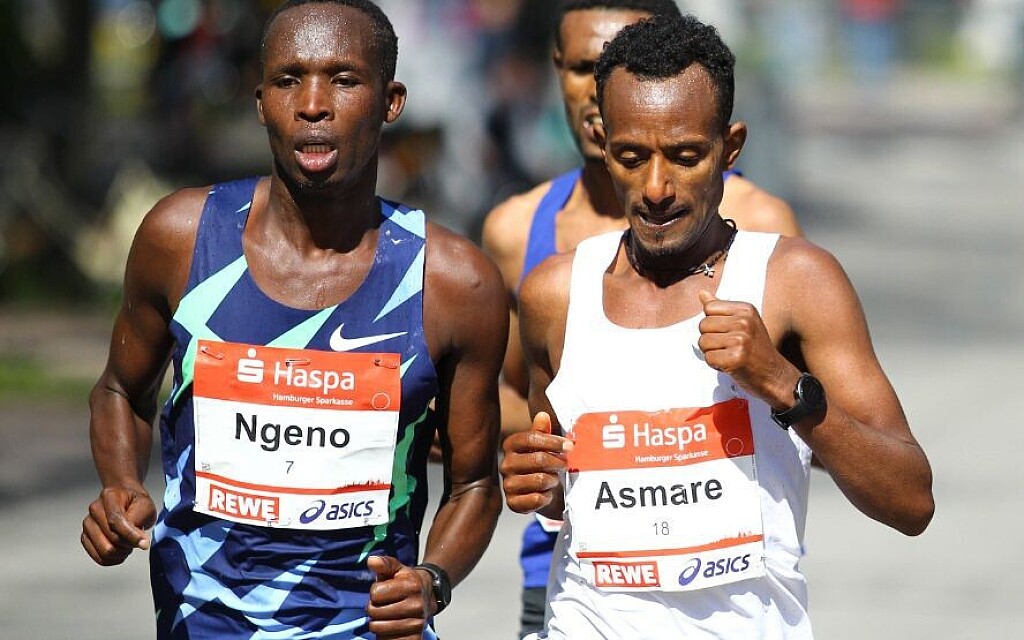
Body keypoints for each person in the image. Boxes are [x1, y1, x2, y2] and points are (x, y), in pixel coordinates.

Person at [79, 1, 507, 638]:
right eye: (287, 80)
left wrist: (432, 580)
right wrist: (120, 486)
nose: (312, 105)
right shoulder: (182, 238)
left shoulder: (453, 282)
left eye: (343, 80)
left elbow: (474, 484)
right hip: (203, 622)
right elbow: (120, 389)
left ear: (391, 102)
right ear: (260, 103)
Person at [500, 13, 933, 639]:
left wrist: (782, 384)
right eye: (631, 157)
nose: (656, 188)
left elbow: (910, 501)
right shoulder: (556, 294)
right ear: (603, 143)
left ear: (730, 149)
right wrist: (539, 486)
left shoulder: (793, 281)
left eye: (685, 157)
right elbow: (567, 490)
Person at [480, 1, 802, 636]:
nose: (596, 91)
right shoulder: (523, 236)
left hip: (728, 605)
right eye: (584, 68)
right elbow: (523, 403)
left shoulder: (763, 234)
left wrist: (778, 390)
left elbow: (819, 438)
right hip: (568, 582)